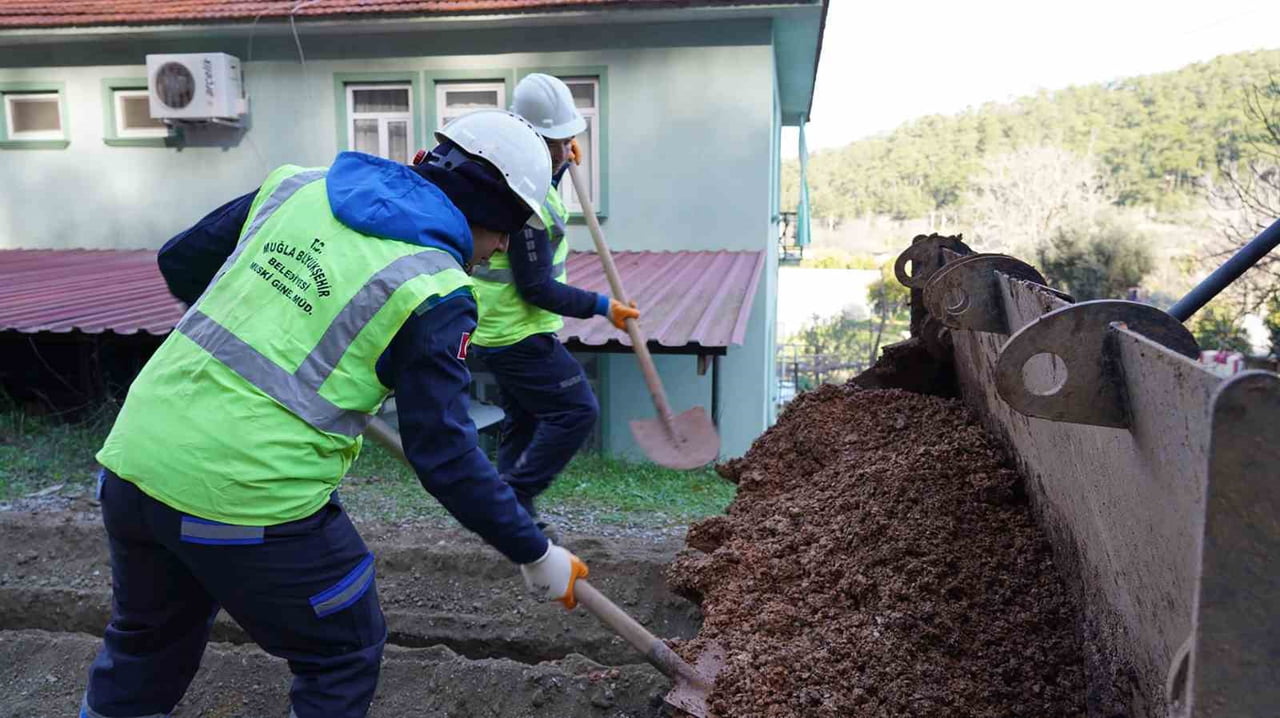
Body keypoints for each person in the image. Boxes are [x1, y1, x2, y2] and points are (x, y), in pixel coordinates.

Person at [80, 110, 588, 718]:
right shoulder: (433, 288)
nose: (504, 246)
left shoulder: (300, 186)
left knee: (146, 644)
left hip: (136, 459)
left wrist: (275, 321)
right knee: (342, 650)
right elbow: (446, 455)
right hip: (244, 495)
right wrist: (535, 552)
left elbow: (181, 262)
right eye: (507, 229)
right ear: (489, 209)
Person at [469, 74, 639, 539]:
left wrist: (559, 165)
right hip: (514, 333)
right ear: (533, 140)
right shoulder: (524, 207)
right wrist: (604, 306)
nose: (568, 149)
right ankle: (514, 498)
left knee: (522, 423)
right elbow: (538, 288)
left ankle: (509, 515)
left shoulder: (518, 173)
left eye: (569, 141)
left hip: (500, 327)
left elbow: (539, 178)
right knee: (576, 410)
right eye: (559, 142)